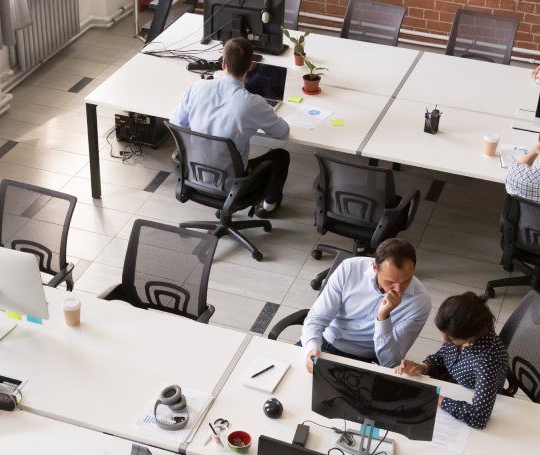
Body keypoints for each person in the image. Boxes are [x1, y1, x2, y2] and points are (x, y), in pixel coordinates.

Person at [169, 37, 290, 216]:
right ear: (251, 66)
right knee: (281, 156)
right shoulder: (252, 103)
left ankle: (226, 207)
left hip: (194, 174)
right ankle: (268, 207)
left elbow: (177, 123)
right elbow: (283, 133)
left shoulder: (197, 87)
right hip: (231, 184)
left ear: (223, 62)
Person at [301, 238, 432, 371]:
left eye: (406, 281)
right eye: (390, 282)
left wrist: (383, 318)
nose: (398, 290)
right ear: (375, 267)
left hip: (363, 360)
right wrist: (312, 349)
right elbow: (317, 318)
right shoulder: (349, 268)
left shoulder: (420, 302)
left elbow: (390, 363)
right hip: (323, 342)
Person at [395, 292, 508, 429]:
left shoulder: (487, 362)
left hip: (467, 393)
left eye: (450, 339)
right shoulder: (460, 331)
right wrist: (422, 367)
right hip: (451, 385)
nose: (444, 341)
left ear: (471, 337)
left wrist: (435, 398)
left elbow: (478, 417)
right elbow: (443, 356)